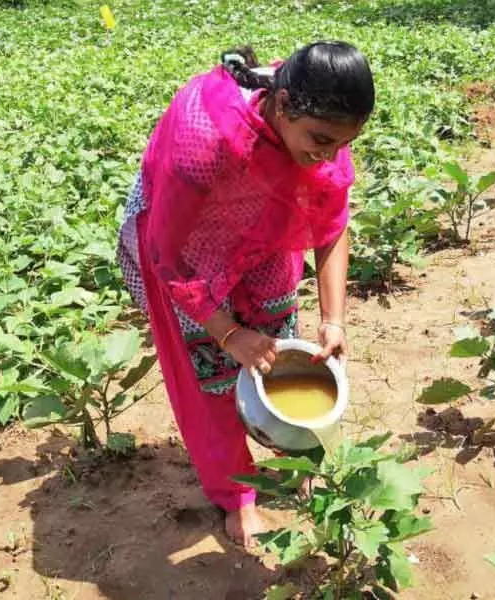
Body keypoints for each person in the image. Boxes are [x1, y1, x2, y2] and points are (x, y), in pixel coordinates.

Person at [116, 41, 374, 545]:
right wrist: (228, 332)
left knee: (279, 351)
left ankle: (295, 451)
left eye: (340, 144)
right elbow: (169, 253)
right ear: (281, 107)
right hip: (187, 246)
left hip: (265, 230)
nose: (328, 155)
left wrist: (335, 319)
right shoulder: (206, 140)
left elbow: (332, 225)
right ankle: (236, 495)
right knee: (209, 372)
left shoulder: (321, 133)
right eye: (319, 140)